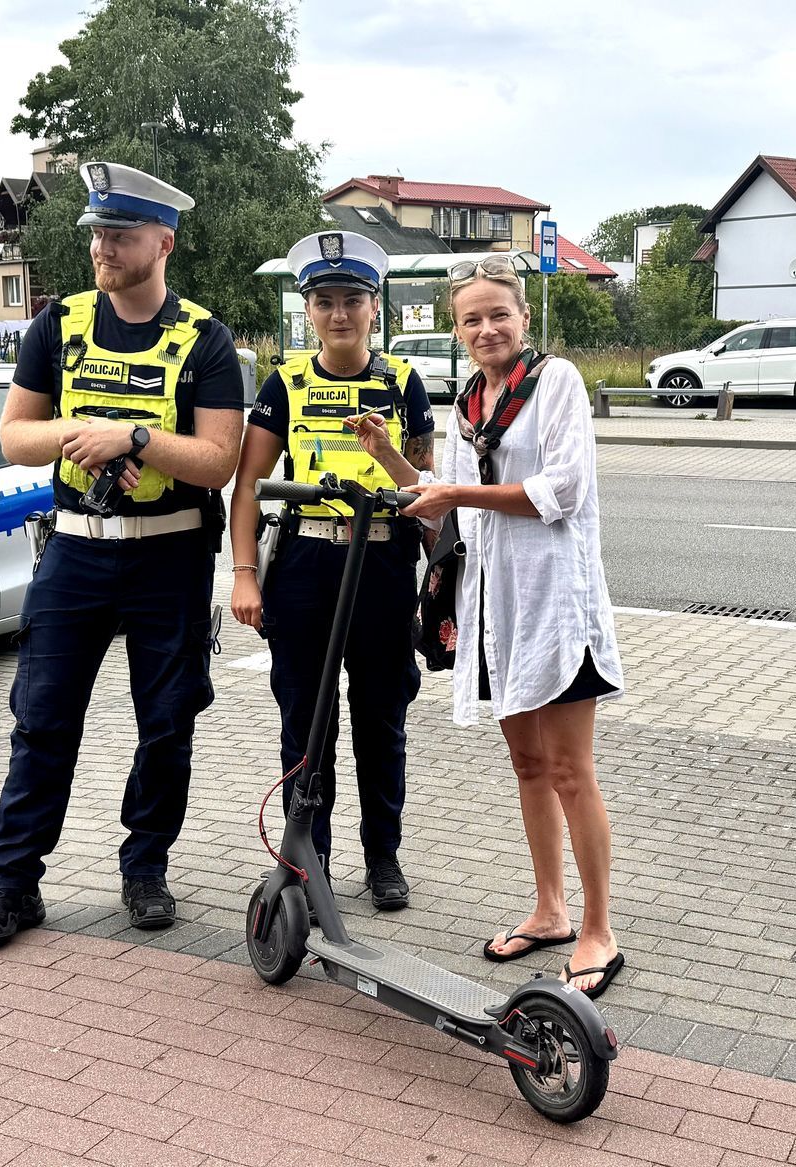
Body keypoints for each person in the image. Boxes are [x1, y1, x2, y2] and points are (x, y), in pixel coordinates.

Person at [0, 162, 244, 948]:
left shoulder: (206, 340)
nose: (102, 247)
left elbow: (220, 460)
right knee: (42, 720)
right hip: (76, 554)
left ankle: (145, 866)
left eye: (119, 234)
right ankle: (12, 886)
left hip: (170, 556)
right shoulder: (57, 325)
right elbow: (17, 436)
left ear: (164, 242)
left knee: (166, 724)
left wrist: (138, 437)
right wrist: (79, 435)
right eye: (98, 233)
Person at [360, 254, 626, 998]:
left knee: (573, 772)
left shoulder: (557, 382)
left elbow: (562, 489)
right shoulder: (470, 402)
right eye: (471, 318)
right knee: (528, 768)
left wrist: (458, 488)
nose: (486, 328)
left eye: (497, 314)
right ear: (456, 328)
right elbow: (445, 503)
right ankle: (550, 909)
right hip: (496, 611)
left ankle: (600, 929)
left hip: (555, 604)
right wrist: (387, 458)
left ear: (524, 317)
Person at [229, 231, 434, 910]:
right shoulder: (283, 383)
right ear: (307, 309)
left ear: (376, 307)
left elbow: (429, 488)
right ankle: (305, 859)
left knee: (381, 721)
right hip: (308, 564)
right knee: (306, 723)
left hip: (380, 562)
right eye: (324, 300)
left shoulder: (404, 382)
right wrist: (245, 574)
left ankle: (383, 858)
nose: (339, 313)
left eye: (352, 299)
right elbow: (250, 486)